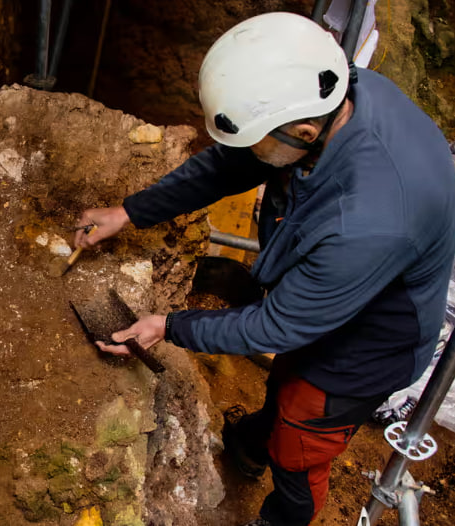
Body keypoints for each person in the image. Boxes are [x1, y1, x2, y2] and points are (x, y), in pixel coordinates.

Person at [74, 12, 455, 526]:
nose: (247, 153)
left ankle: (281, 516)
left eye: (255, 140)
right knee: (285, 384)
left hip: (366, 348)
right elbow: (229, 165)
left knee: (301, 440)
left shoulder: (368, 222)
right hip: (333, 293)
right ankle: (253, 445)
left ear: (301, 131)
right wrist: (129, 212)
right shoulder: (328, 99)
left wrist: (166, 327)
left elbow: (277, 324)